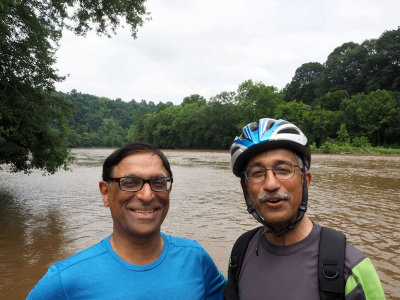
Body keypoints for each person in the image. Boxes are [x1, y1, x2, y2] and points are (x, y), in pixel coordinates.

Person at [27, 142, 226, 299]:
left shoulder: (195, 259)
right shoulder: (65, 279)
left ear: (169, 190)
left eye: (158, 183)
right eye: (130, 183)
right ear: (105, 193)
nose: (147, 195)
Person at [225, 118, 385, 300]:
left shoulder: (352, 269)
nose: (270, 184)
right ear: (246, 189)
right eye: (257, 173)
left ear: (305, 181)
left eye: (284, 170)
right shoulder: (240, 253)